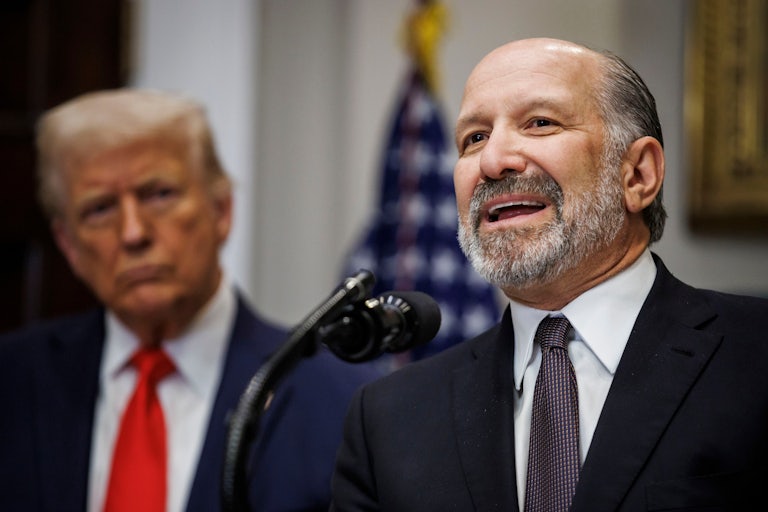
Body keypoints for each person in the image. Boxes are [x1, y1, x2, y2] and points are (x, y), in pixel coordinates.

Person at [330, 37, 768, 511]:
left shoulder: (756, 357)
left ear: (638, 174)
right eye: (474, 138)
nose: (494, 161)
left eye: (540, 123)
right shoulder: (389, 419)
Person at [0, 88, 380, 512]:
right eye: (100, 209)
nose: (133, 233)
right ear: (68, 244)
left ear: (221, 211)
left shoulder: (341, 401)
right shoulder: (14, 380)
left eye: (158, 194)